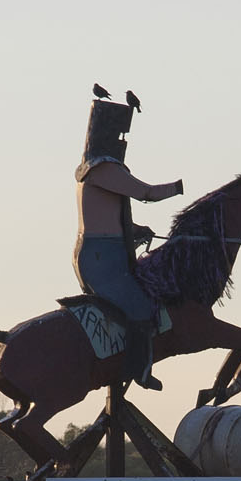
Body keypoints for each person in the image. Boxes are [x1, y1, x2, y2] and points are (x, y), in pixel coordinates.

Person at [73, 94, 183, 391]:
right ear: (106, 132)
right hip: (102, 256)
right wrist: (176, 188)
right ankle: (138, 369)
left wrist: (133, 230)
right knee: (141, 307)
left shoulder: (96, 170)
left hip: (103, 251)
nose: (123, 140)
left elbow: (106, 218)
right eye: (120, 133)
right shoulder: (103, 169)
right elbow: (145, 193)